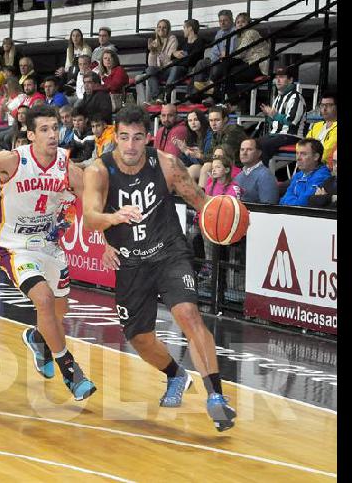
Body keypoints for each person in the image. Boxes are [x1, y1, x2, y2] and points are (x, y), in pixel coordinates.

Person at [80, 105, 239, 432]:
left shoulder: (167, 165)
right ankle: (176, 376)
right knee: (139, 338)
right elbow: (90, 217)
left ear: (147, 138)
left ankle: (216, 397)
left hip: (168, 253)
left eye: (137, 138)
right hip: (130, 262)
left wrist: (230, 216)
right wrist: (113, 219)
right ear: (115, 136)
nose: (130, 146)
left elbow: (202, 202)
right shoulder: (98, 170)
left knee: (188, 315)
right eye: (124, 137)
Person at [0, 104, 96, 401]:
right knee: (42, 299)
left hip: (50, 247)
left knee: (57, 313)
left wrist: (106, 237)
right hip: (14, 246)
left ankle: (37, 339)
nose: (52, 134)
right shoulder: (13, 160)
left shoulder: (68, 168)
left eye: (55, 128)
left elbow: (91, 206)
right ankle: (71, 371)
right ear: (30, 135)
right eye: (44, 129)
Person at [257, 67, 306, 168]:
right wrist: (269, 115)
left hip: (292, 136)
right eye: (277, 77)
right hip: (276, 135)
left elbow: (292, 121)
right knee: (252, 144)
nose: (278, 80)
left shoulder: (296, 97)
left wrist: (274, 115)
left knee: (265, 145)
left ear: (290, 80)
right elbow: (274, 121)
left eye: (282, 77)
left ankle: (262, 176)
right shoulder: (278, 98)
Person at [279, 138, 332, 206]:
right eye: (297, 153)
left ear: (316, 157)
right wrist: (294, 200)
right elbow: (282, 201)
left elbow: (302, 204)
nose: (298, 158)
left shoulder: (322, 177)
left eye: (303, 154)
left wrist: (290, 201)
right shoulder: (298, 175)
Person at [137, 19, 179, 104]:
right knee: (148, 70)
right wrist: (152, 52)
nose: (161, 29)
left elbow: (169, 60)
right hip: (159, 71)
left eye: (164, 27)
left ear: (168, 29)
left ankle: (164, 95)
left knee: (174, 68)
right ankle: (157, 97)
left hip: (168, 70)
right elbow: (152, 65)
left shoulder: (172, 39)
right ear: (156, 29)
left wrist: (159, 51)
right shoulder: (155, 42)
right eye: (159, 27)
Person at [233, 138, 280, 204]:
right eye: (242, 149)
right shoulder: (238, 176)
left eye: (249, 149)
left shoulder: (266, 176)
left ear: (259, 153)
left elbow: (269, 208)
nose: (244, 153)